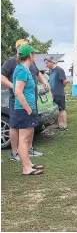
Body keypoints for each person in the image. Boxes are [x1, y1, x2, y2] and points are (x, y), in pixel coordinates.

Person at [1, 39, 47, 161]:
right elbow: (1, 76)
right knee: (15, 126)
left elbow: (38, 73)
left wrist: (45, 82)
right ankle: (15, 153)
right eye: (27, 47)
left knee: (30, 126)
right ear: (19, 49)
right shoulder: (12, 62)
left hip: (31, 99)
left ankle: (29, 149)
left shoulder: (30, 63)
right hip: (17, 100)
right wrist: (14, 86)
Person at [11, 44, 44, 175]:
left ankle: (29, 164)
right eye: (33, 54)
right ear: (30, 55)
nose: (34, 56)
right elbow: (18, 92)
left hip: (28, 108)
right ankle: (26, 168)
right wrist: (28, 109)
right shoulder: (22, 71)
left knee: (28, 137)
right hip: (24, 109)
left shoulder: (25, 69)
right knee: (23, 140)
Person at [45, 55, 68, 131]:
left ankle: (64, 125)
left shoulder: (59, 70)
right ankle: (59, 124)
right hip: (53, 94)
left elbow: (64, 81)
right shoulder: (51, 71)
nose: (46, 65)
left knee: (62, 109)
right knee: (57, 110)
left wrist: (60, 88)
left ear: (52, 62)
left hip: (59, 93)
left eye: (47, 63)